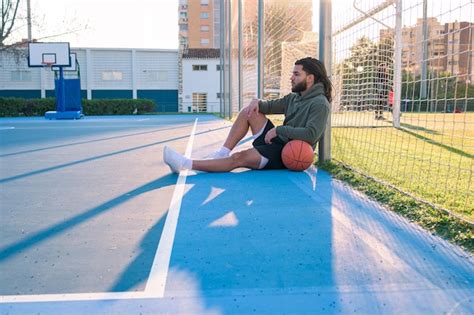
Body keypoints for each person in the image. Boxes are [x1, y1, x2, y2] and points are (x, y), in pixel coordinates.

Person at [163, 57, 331, 174]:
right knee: (249, 112)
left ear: (310, 78)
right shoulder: (294, 98)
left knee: (239, 158)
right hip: (279, 140)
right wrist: (255, 102)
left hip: (288, 153)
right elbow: (268, 106)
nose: (291, 78)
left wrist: (280, 130)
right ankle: (222, 153)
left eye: (296, 74)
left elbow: (311, 134)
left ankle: (185, 164)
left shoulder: (319, 103)